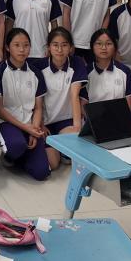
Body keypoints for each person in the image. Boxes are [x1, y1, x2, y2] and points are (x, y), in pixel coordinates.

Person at [0, 29, 52, 181]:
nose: (22, 49)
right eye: (16, 45)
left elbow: (38, 107)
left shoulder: (36, 73)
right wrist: (25, 128)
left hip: (30, 123)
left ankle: (20, 156)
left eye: (26, 45)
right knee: (16, 146)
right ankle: (11, 154)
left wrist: (34, 130)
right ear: (7, 47)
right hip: (5, 122)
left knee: (42, 172)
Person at [32, 27, 87, 171]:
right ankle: (61, 150)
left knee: (78, 138)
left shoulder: (77, 63)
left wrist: (77, 127)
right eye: (55, 45)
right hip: (46, 123)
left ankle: (65, 150)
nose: (59, 49)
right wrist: (40, 124)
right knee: (53, 164)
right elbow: (37, 102)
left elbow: (74, 95)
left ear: (71, 48)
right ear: (49, 47)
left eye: (64, 45)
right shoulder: (39, 66)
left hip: (66, 121)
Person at [84, 29, 131, 124]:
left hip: (120, 116)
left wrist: (116, 119)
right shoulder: (86, 72)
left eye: (108, 44)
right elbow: (83, 105)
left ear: (115, 47)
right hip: (95, 119)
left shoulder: (125, 71)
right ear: (92, 47)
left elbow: (129, 106)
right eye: (99, 44)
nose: (104, 47)